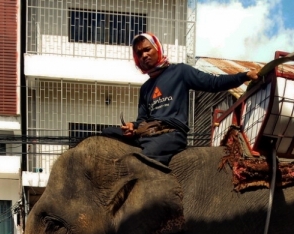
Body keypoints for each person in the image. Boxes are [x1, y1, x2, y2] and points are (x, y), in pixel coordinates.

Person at [103, 32, 260, 165]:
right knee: (107, 133)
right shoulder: (145, 88)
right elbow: (142, 119)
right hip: (146, 134)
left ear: (157, 48)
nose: (144, 55)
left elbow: (213, 83)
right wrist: (132, 126)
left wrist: (244, 75)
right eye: (139, 53)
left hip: (170, 134)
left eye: (147, 49)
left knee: (143, 160)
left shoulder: (180, 72)